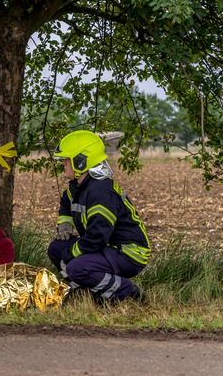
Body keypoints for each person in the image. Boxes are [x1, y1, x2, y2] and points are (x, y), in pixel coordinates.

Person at [47, 130, 149, 303]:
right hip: (106, 247)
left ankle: (128, 292)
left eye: (66, 159)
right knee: (56, 249)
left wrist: (71, 253)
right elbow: (66, 204)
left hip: (128, 252)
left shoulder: (100, 191)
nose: (63, 163)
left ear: (81, 161)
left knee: (77, 267)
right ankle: (91, 291)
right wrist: (65, 227)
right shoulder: (77, 187)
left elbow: (97, 237)